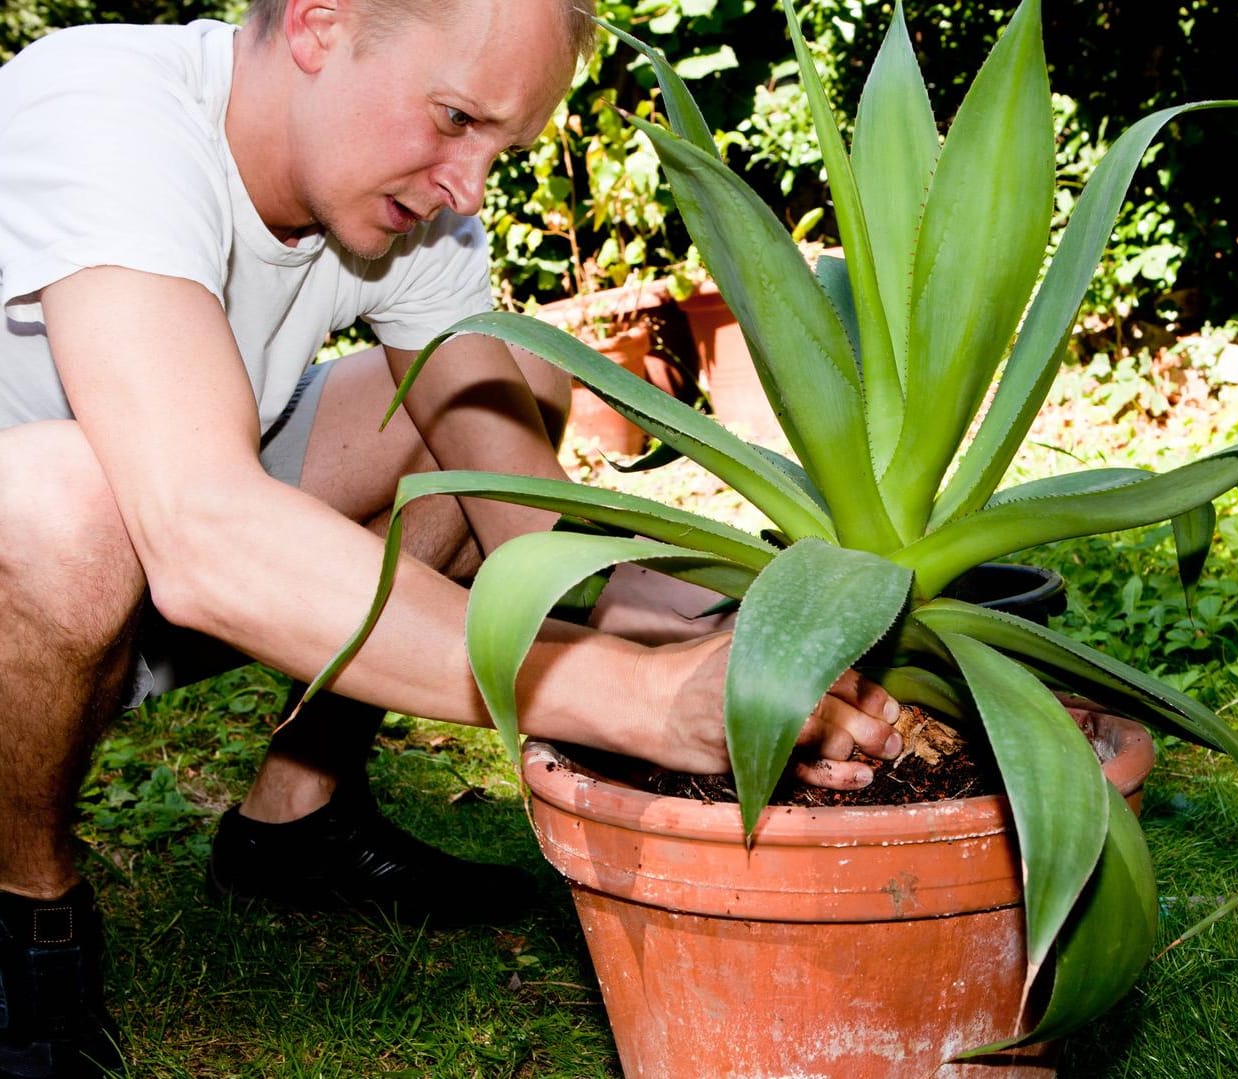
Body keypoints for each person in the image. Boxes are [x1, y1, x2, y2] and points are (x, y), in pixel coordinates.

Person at [0, 0, 903, 1074]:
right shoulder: (102, 107)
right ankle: (25, 910)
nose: (469, 186)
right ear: (320, 26)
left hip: (159, 555)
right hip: (67, 556)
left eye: (498, 145)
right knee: (69, 500)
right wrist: (625, 693)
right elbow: (199, 529)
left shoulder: (416, 209)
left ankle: (296, 821)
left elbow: (523, 515)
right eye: (455, 116)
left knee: (502, 378)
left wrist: (734, 631)